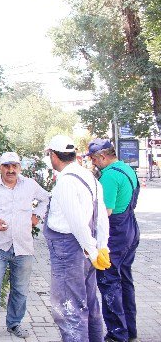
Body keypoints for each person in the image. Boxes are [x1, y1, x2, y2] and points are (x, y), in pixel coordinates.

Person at [0, 151, 50, 341]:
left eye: (14, 166)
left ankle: (14, 323)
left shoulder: (30, 185)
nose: (10, 170)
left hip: (23, 246)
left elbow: (46, 199)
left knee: (20, 289)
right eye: (6, 166)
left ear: (19, 167)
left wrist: (37, 216)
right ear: (0, 167)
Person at [44, 135, 111, 342]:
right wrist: (101, 246)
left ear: (54, 155)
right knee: (90, 303)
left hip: (69, 249)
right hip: (87, 248)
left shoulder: (66, 181)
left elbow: (76, 222)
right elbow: (100, 216)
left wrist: (92, 249)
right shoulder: (89, 176)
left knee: (69, 308)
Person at [86, 138, 140, 342]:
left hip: (115, 235)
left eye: (93, 159)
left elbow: (105, 212)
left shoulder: (108, 177)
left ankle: (117, 334)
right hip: (131, 230)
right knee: (125, 280)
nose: (93, 163)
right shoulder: (128, 169)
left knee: (109, 281)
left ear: (102, 156)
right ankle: (130, 329)